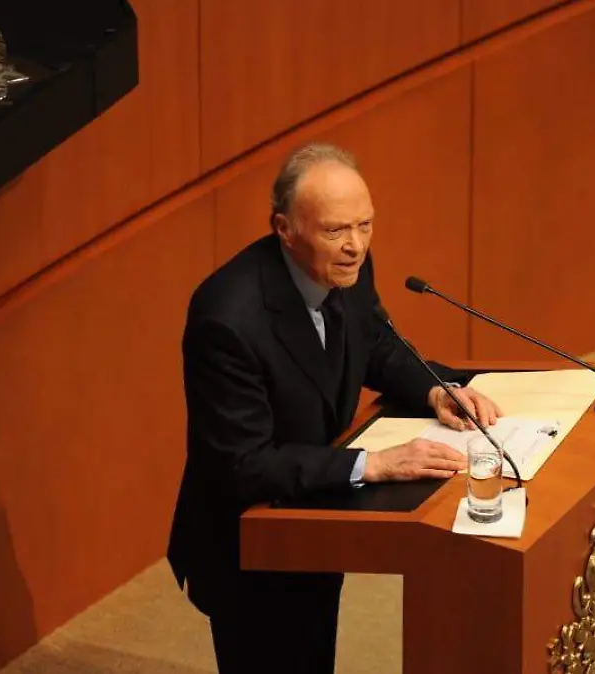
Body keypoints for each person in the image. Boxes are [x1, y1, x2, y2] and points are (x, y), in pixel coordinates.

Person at [166, 143, 503, 674]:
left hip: (316, 514)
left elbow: (374, 343)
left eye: (365, 226)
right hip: (250, 542)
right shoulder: (227, 319)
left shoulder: (348, 268)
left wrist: (436, 390)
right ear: (285, 228)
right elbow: (243, 465)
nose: (355, 246)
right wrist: (374, 463)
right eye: (335, 230)